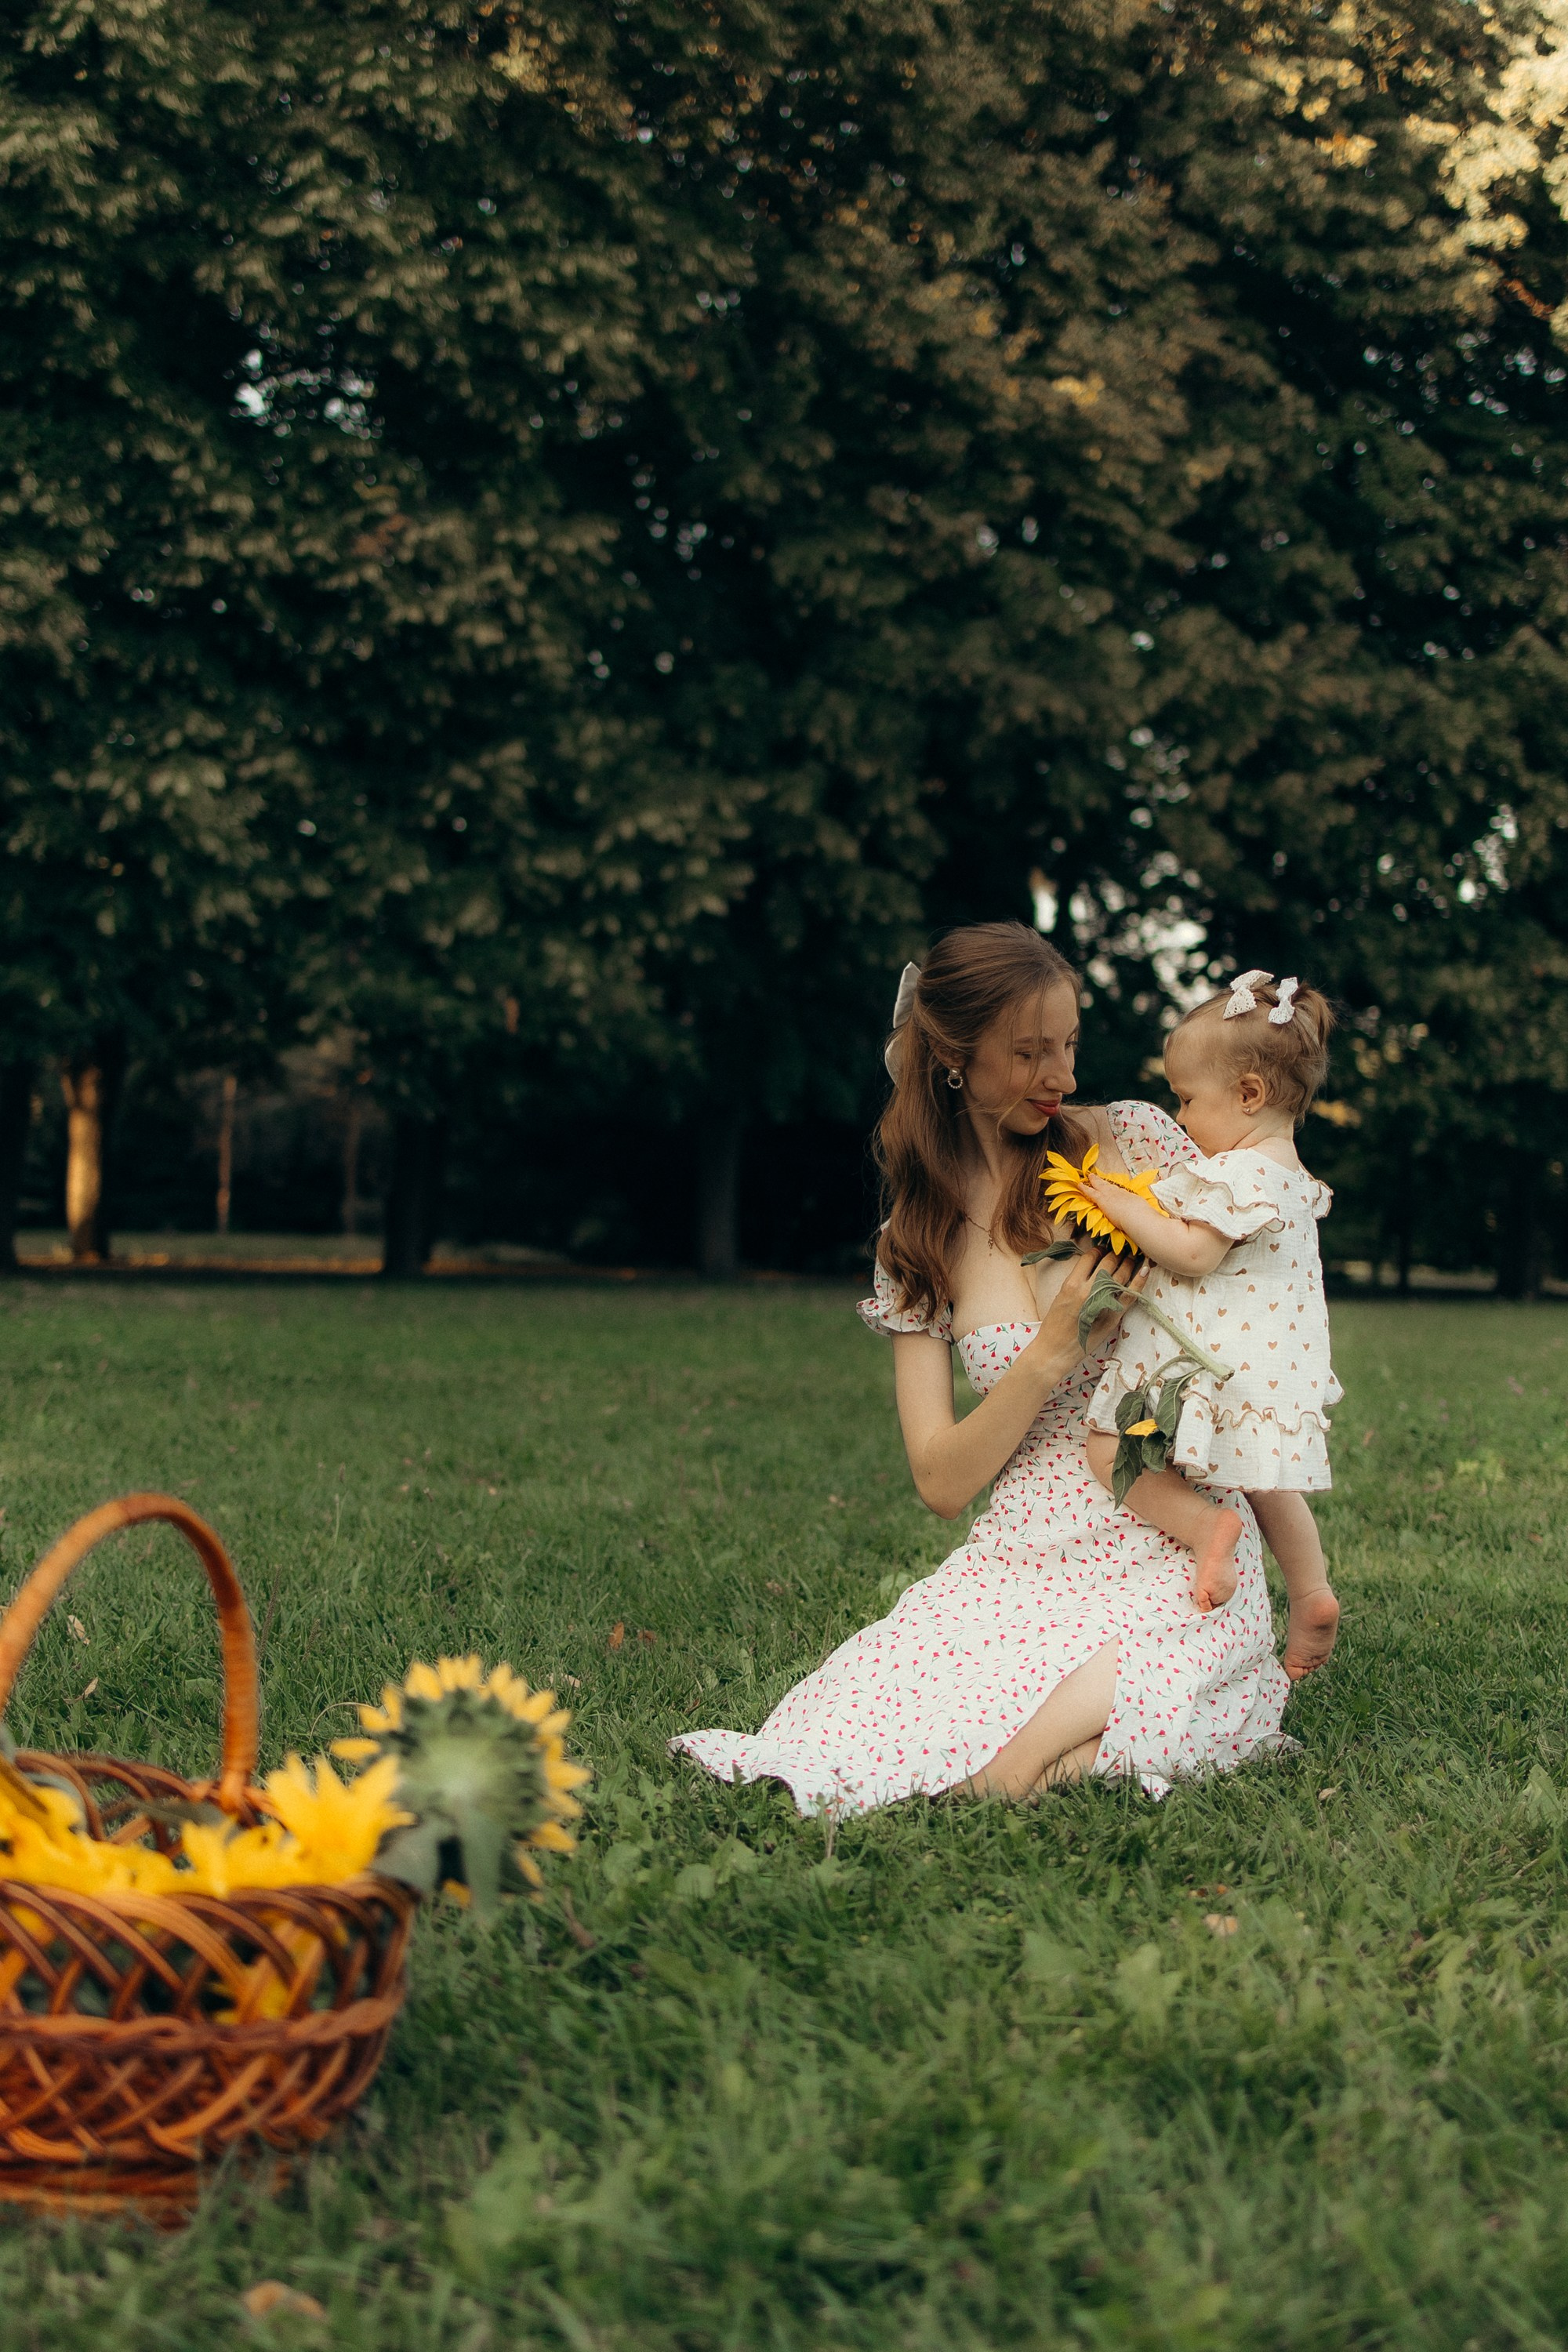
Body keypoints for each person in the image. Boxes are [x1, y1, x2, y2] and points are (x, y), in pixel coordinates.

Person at [671, 922, 1294, 1817]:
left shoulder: (1135, 1143)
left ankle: (1011, 1775)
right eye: (1030, 1053)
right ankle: (1013, 1765)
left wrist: (1299, 1569)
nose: (1063, 1077)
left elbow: (1247, 1356)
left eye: (1069, 1046)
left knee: (1137, 1693)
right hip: (1026, 1553)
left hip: (1173, 1527)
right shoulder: (915, 1241)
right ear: (955, 1059)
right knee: (882, 1725)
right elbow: (939, 1481)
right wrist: (1049, 1354)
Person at [1080, 971, 1341, 1678]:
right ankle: (1312, 1591)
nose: (1181, 1117)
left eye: (1188, 1099)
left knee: (1109, 1450)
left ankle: (1206, 1527)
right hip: (1271, 1366)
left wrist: (1118, 1202)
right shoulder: (1290, 1174)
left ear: (1248, 1095)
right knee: (1266, 1481)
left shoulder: (1235, 1174)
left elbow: (1193, 1253)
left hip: (1207, 1358)